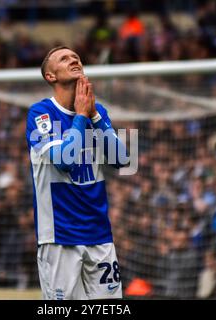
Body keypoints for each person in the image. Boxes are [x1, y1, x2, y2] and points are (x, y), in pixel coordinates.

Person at [25, 46, 129, 300]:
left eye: (76, 57)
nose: (73, 59)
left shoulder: (97, 112)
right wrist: (81, 116)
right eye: (64, 58)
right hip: (60, 235)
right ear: (51, 76)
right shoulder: (40, 114)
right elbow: (64, 161)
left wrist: (93, 115)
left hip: (99, 233)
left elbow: (121, 159)